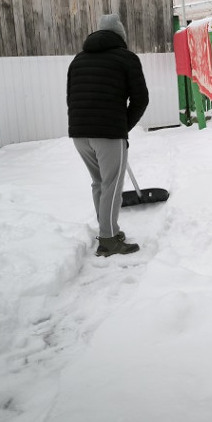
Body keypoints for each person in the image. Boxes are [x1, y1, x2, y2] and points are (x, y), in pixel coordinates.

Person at [67, 13, 149, 256]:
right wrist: (123, 127)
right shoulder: (127, 58)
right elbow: (141, 99)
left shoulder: (78, 59)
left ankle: (107, 230)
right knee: (112, 185)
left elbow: (72, 96)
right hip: (108, 133)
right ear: (121, 36)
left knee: (100, 183)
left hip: (79, 133)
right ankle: (109, 239)